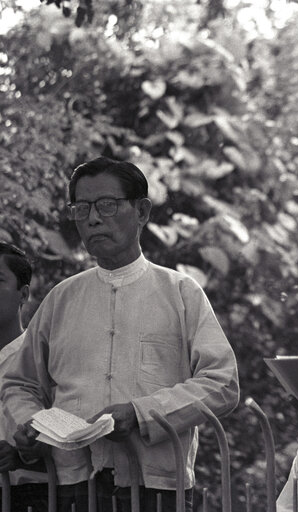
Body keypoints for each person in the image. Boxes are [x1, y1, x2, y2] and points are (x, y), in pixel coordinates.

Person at [1, 157, 240, 512]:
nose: (94, 218)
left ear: (141, 211)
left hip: (156, 483)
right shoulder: (61, 299)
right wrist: (34, 427)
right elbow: (21, 385)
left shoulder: (180, 291)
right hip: (72, 482)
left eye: (107, 205)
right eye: (81, 209)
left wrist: (143, 413)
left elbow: (223, 384)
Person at [0, 242, 48, 511]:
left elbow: (71, 447)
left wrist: (21, 458)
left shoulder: (42, 357)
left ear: (24, 294)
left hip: (32, 497)